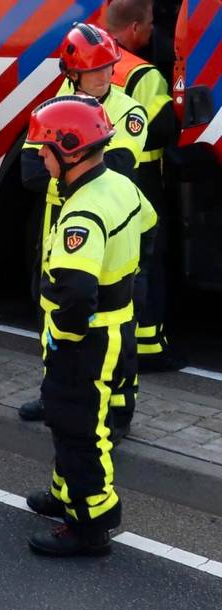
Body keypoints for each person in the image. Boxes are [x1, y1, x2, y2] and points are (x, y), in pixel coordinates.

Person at [21, 95, 155, 557]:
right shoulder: (119, 185)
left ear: (72, 149)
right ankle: (65, 494)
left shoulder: (81, 211)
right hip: (117, 325)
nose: (39, 155)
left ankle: (91, 523)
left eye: (45, 147)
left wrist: (65, 336)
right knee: (67, 418)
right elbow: (150, 228)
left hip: (86, 337)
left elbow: (76, 293)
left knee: (79, 425)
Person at [18, 23, 148, 431]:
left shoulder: (129, 112)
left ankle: (119, 409)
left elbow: (118, 167)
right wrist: (76, 170)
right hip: (59, 228)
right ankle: (52, 391)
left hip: (108, 229)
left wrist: (62, 170)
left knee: (118, 322)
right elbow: (28, 173)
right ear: (71, 74)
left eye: (108, 67)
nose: (103, 76)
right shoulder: (51, 108)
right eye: (93, 70)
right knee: (51, 310)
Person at [106, 0, 182, 372]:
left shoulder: (86, 65)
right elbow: (166, 127)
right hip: (142, 179)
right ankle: (149, 346)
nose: (154, 30)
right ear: (135, 27)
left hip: (101, 178)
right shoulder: (144, 74)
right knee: (149, 258)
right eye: (151, 23)